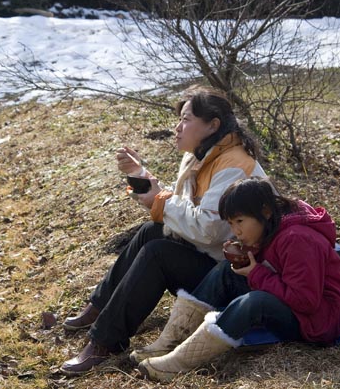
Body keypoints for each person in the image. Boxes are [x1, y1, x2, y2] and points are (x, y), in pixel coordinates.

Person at [59, 85, 267, 375]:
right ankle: (99, 308)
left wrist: (160, 201)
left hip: (235, 276)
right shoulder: (202, 155)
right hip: (212, 257)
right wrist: (140, 176)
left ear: (213, 125)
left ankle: (106, 341)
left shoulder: (233, 165)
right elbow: (182, 206)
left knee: (158, 253)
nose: (177, 127)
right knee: (150, 232)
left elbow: (209, 230)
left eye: (186, 119)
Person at [137, 178, 340, 383]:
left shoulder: (296, 239)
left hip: (321, 320)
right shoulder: (271, 228)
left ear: (266, 211)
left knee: (255, 301)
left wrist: (256, 274)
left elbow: (305, 300)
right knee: (226, 271)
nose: (236, 231)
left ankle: (178, 362)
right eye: (231, 223)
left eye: (240, 221)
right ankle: (169, 342)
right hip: (298, 303)